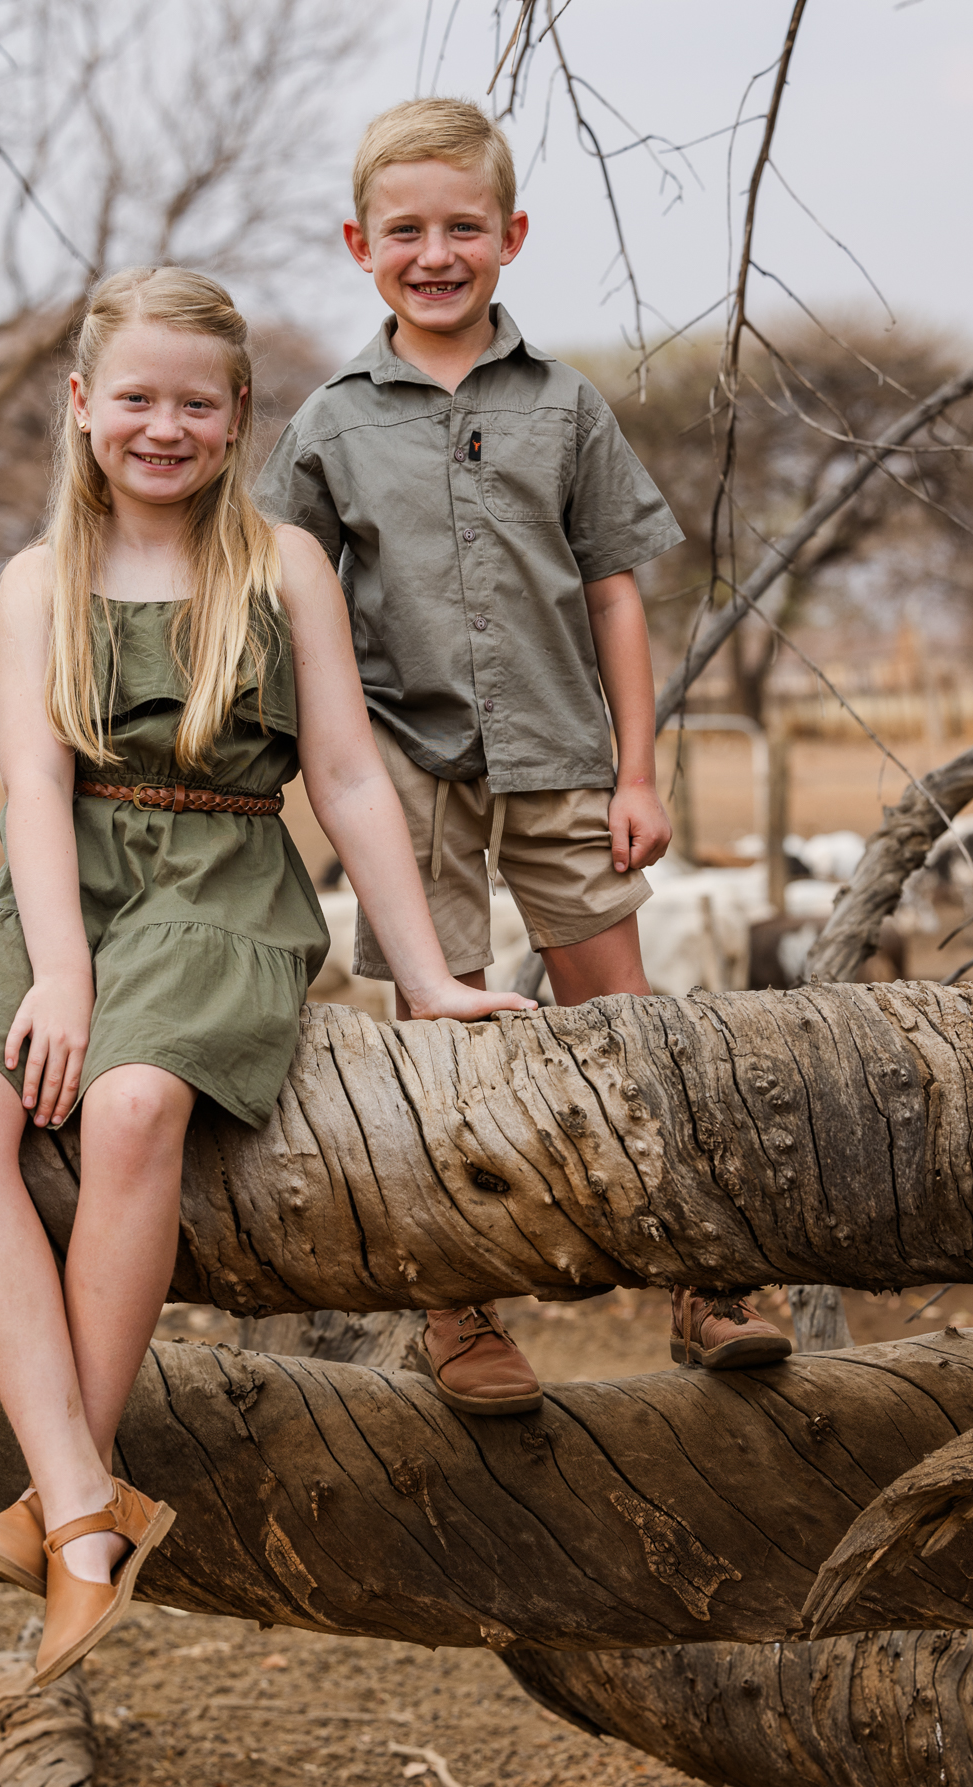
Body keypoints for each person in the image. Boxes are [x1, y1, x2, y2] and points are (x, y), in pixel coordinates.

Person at [0, 265, 538, 1688]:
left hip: (219, 880)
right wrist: (54, 971)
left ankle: (71, 1512)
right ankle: (80, 1496)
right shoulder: (32, 583)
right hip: (61, 880)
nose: (163, 427)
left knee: (128, 1109)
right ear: (81, 408)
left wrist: (422, 975)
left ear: (240, 414)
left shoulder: (280, 565)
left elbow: (352, 779)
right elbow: (31, 789)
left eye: (196, 402)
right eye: (134, 398)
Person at [255, 98, 793, 1384]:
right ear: (357, 242)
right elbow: (291, 600)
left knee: (626, 1015)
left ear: (511, 236)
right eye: (404, 230)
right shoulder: (328, 425)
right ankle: (460, 1305)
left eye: (462, 227)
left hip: (562, 756)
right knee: (437, 1035)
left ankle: (705, 1280)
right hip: (403, 774)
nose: (433, 252)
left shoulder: (568, 407)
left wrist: (642, 770)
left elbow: (613, 589)